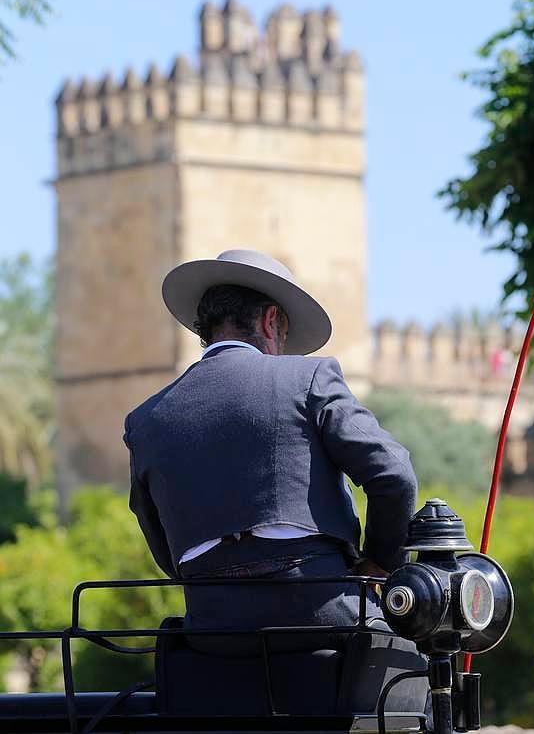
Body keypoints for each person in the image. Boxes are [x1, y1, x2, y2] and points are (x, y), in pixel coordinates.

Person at [124, 250, 428, 712]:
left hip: (214, 632)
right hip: (323, 614)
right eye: (285, 335)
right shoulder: (307, 377)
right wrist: (379, 564)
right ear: (271, 322)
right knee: (420, 666)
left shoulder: (146, 420)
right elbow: (394, 475)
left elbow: (163, 548)